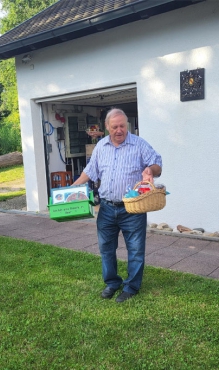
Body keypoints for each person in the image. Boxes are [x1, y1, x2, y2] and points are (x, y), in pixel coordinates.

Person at [73, 108, 162, 303]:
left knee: (136, 250)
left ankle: (131, 287)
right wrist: (72, 188)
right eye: (115, 127)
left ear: (127, 125)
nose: (119, 130)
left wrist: (149, 170)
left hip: (132, 208)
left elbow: (157, 164)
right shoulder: (100, 147)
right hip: (106, 208)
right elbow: (89, 172)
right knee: (106, 248)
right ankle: (112, 282)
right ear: (107, 127)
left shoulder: (139, 144)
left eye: (122, 126)